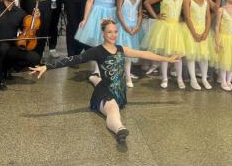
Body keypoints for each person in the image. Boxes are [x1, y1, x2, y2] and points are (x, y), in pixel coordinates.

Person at [29, 19, 179, 146]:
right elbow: (73, 59)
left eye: (115, 31)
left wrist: (167, 59)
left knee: (98, 80)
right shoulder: (97, 51)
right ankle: (120, 130)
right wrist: (47, 66)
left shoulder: (121, 49)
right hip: (105, 93)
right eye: (109, 32)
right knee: (113, 110)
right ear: (103, 34)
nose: (113, 35)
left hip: (119, 92)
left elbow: (144, 53)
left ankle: (93, 77)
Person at [141, 0, 185, 89]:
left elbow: (186, 9)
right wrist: (156, 16)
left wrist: (183, 17)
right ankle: (164, 78)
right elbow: (147, 3)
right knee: (164, 55)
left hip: (176, 28)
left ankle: (180, 78)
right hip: (164, 27)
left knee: (178, 55)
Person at [182, 0, 216, 90]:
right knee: (191, 56)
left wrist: (206, 31)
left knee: (204, 56)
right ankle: (193, 80)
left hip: (203, 30)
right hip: (191, 31)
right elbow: (187, 18)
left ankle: (204, 79)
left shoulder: (205, 0)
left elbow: (208, 17)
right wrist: (194, 33)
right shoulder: (187, 0)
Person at [116, 0, 143, 88]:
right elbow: (118, 11)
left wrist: (137, 27)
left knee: (129, 54)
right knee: (121, 53)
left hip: (134, 29)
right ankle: (120, 75)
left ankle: (127, 75)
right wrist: (125, 26)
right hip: (123, 28)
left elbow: (140, 14)